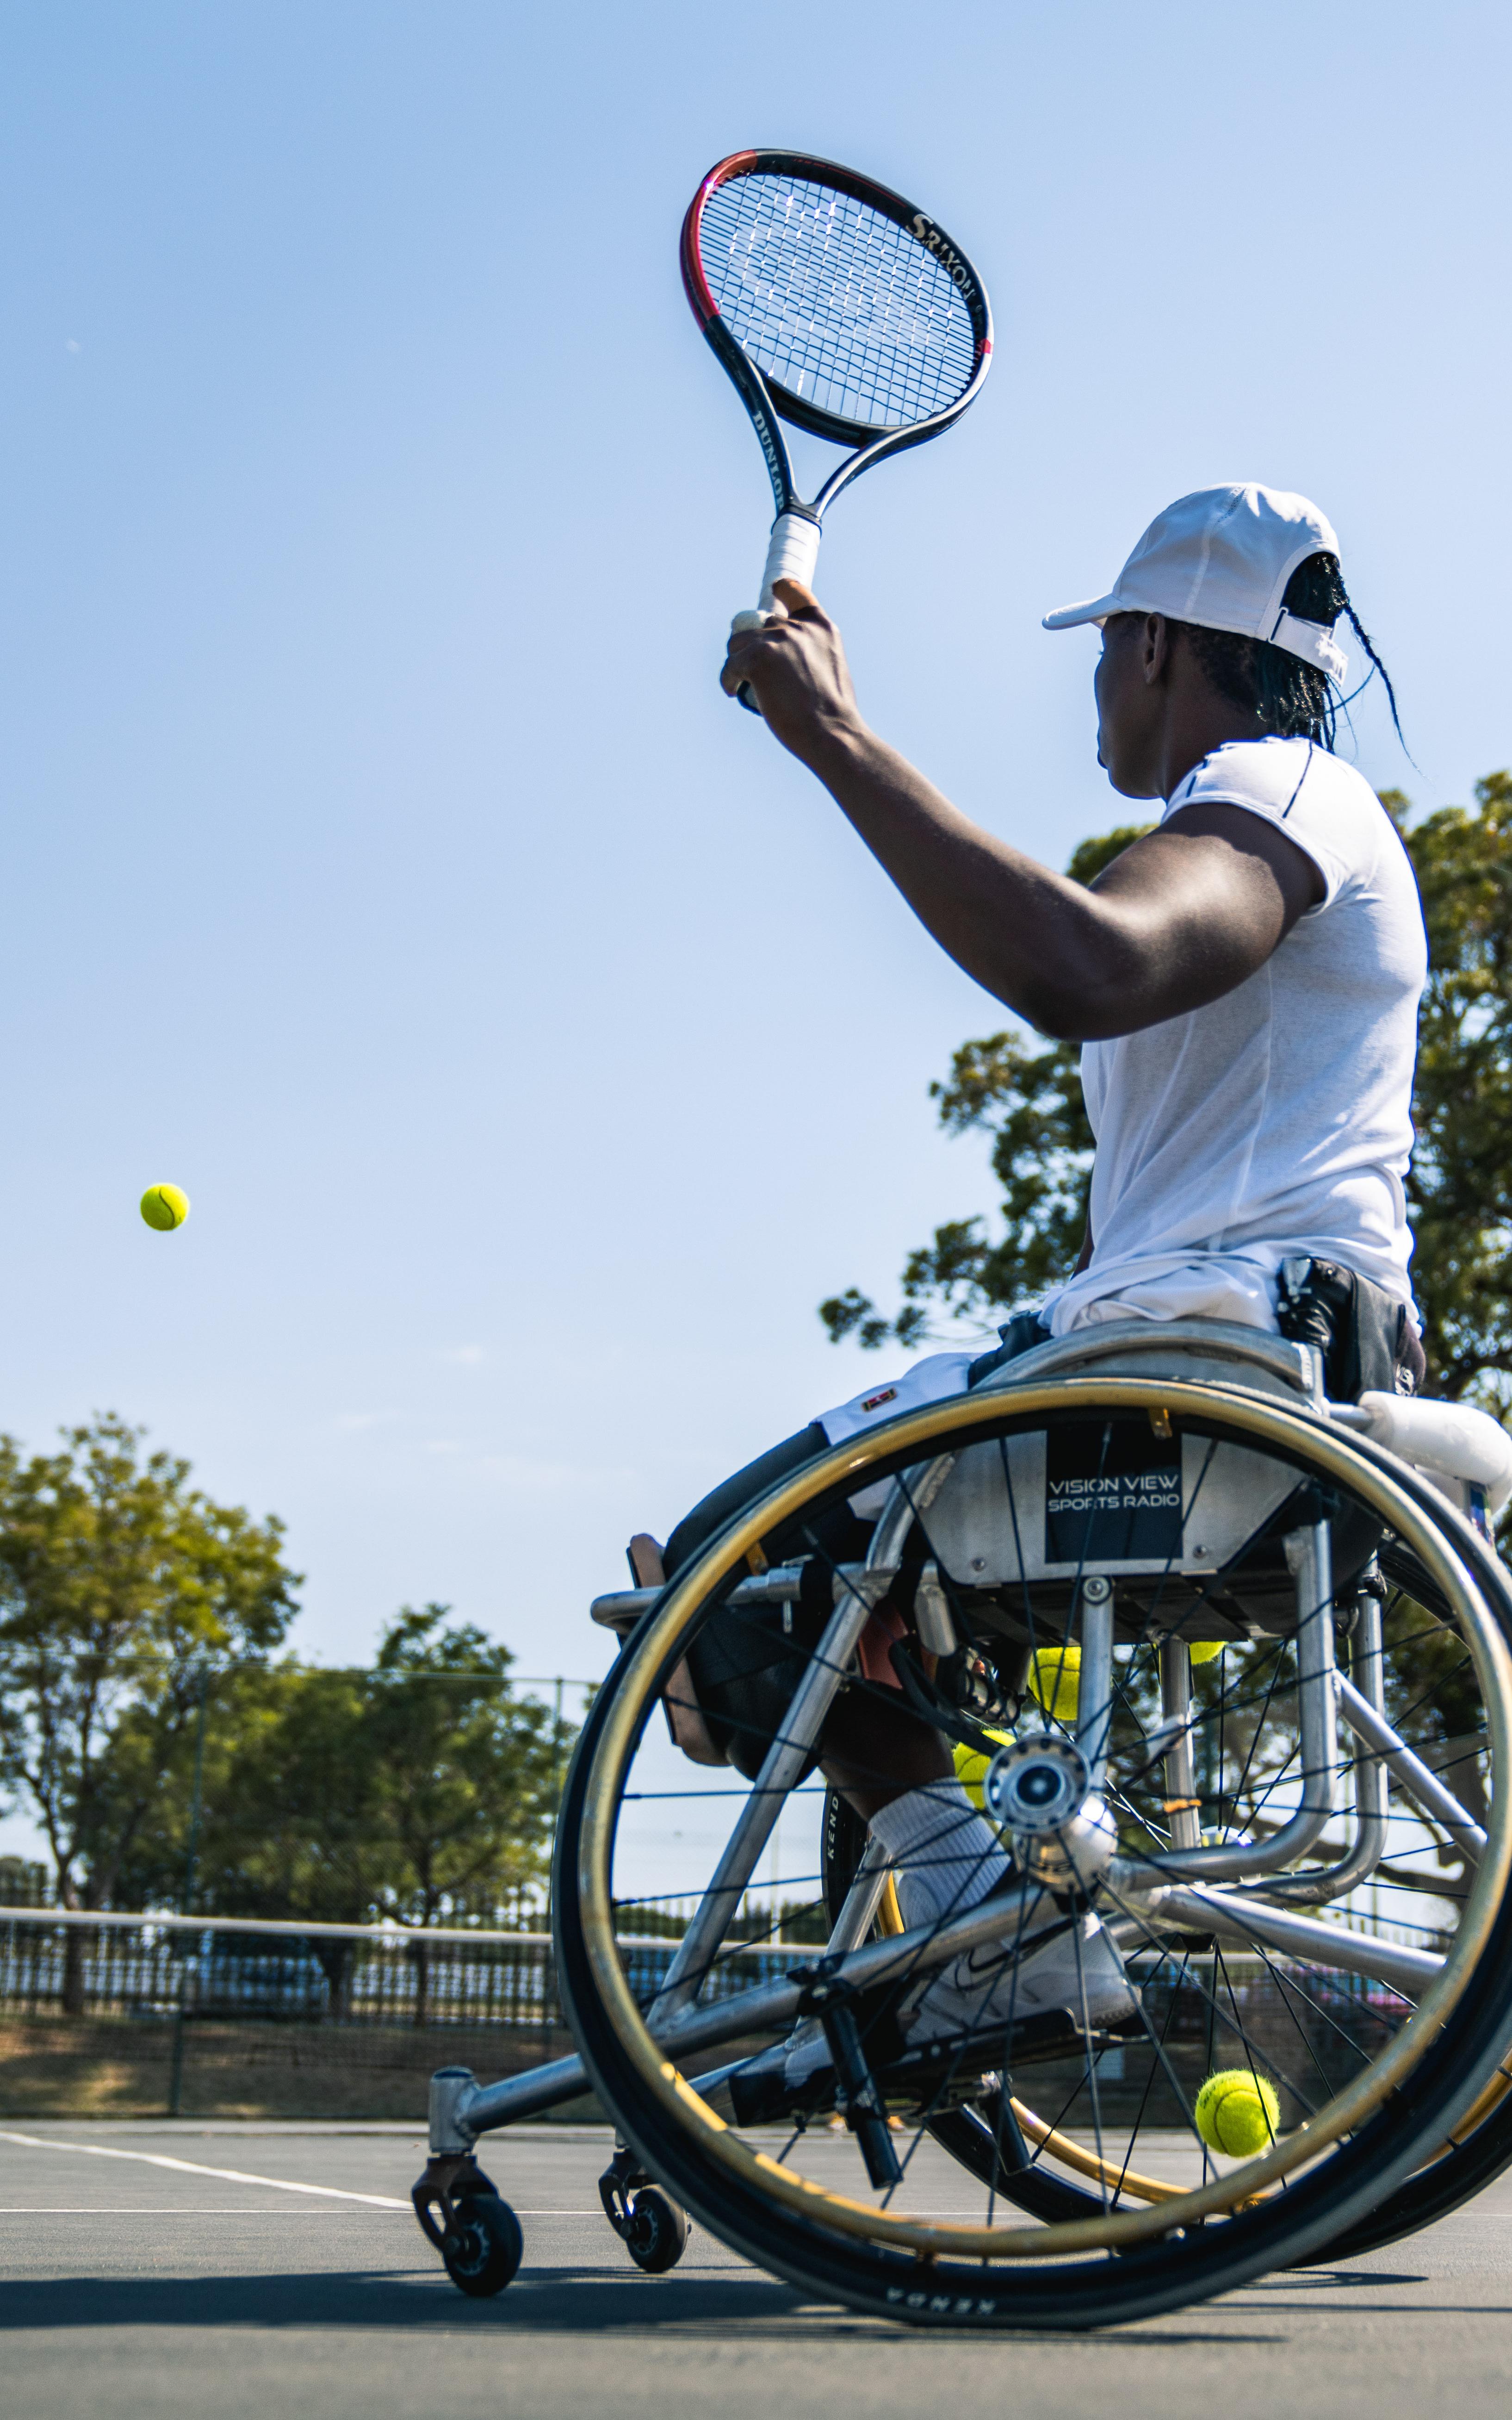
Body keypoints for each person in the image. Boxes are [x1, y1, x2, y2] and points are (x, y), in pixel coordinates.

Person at [646, 483, 1427, 2068]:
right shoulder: (1280, 805)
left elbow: (1088, 964)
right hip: (1249, 1347)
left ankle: (976, 1931)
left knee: (707, 1579)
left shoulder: (1277, 789)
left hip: (1216, 1351)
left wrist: (834, 739)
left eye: (1099, 654)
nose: (1090, 694)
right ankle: (979, 1924)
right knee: (826, 1587)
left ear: (1147, 645)